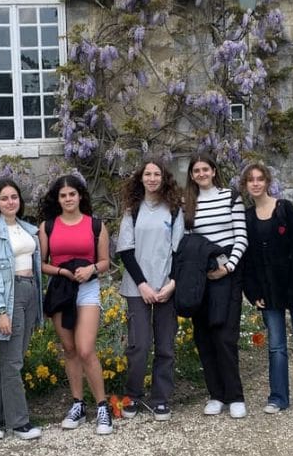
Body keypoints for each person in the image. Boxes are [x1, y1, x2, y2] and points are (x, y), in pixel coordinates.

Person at [240, 162, 293, 419]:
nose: (255, 183)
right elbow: (248, 260)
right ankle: (278, 397)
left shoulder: (284, 208)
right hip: (269, 291)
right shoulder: (247, 216)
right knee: (276, 346)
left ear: (267, 182)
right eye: (250, 180)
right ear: (245, 185)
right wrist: (254, 293)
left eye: (259, 179)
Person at [38, 175, 113, 435]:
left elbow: (105, 261)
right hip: (61, 289)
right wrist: (62, 273)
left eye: (72, 194)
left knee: (85, 348)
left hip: (87, 288)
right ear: (57, 199)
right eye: (63, 195)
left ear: (80, 196)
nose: (68, 199)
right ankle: (78, 404)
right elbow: (41, 263)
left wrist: (90, 268)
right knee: (69, 349)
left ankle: (102, 406)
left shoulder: (96, 225)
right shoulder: (48, 226)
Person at [116, 159, 184, 421]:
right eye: (148, 174)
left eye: (157, 174)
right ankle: (133, 394)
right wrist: (142, 284)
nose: (152, 178)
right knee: (140, 345)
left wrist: (172, 283)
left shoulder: (174, 210)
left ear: (163, 177)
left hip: (167, 285)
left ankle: (161, 399)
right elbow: (126, 250)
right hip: (137, 287)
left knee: (166, 346)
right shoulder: (133, 210)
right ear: (141, 178)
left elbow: (179, 251)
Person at [0, 178, 43, 441]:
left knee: (11, 361)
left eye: (14, 197)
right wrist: (0, 310)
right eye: (4, 198)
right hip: (10, 296)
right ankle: (19, 423)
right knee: (13, 363)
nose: (10, 202)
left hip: (29, 292)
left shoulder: (27, 228)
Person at [183, 153, 249, 418]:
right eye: (196, 170)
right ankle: (215, 394)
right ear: (191, 175)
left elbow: (241, 236)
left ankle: (235, 395)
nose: (201, 174)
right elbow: (186, 241)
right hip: (201, 276)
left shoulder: (230, 197)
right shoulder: (187, 202)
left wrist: (229, 267)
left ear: (213, 171)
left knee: (225, 335)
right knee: (204, 336)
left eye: (205, 169)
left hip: (228, 273)